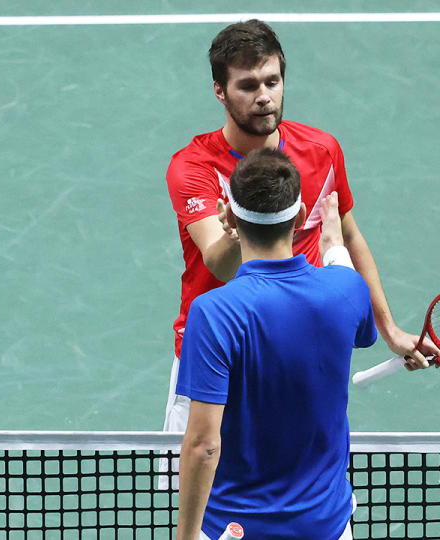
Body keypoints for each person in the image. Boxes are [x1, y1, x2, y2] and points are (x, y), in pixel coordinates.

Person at [164, 19, 437, 432]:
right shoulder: (194, 167)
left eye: (272, 82)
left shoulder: (321, 150)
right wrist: (238, 228)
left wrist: (390, 329)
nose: (264, 97)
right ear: (219, 91)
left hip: (298, 351)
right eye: (248, 85)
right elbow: (220, 265)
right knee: (193, 489)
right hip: (217, 354)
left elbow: (349, 234)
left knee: (305, 482)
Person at [175, 149, 401, 540]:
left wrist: (186, 537)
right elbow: (362, 327)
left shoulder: (213, 313)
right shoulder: (346, 289)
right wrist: (333, 247)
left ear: (225, 215)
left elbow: (203, 445)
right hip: (326, 528)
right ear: (299, 218)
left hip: (235, 528)